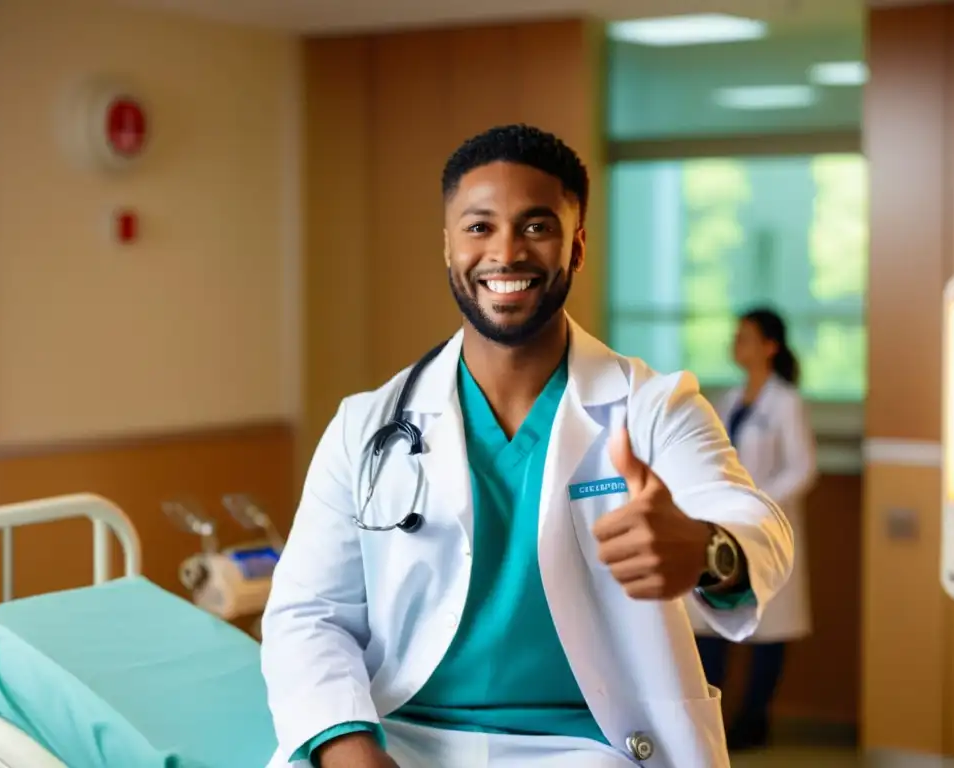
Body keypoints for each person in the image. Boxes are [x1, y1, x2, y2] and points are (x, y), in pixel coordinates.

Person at [260, 125, 794, 768]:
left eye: (536, 226)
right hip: (397, 739)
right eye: (479, 227)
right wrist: (349, 750)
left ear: (577, 245)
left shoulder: (654, 409)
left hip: (591, 748)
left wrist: (705, 549)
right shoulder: (365, 425)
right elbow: (308, 615)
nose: (505, 252)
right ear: (449, 245)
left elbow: (756, 522)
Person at [689, 308, 818, 752]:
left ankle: (753, 719)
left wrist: (759, 502)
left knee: (768, 631)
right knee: (711, 620)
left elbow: (803, 468)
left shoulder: (786, 401)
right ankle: (709, 719)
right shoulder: (729, 398)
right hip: (723, 528)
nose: (736, 343)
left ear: (770, 346)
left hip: (766, 528)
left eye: (745, 337)